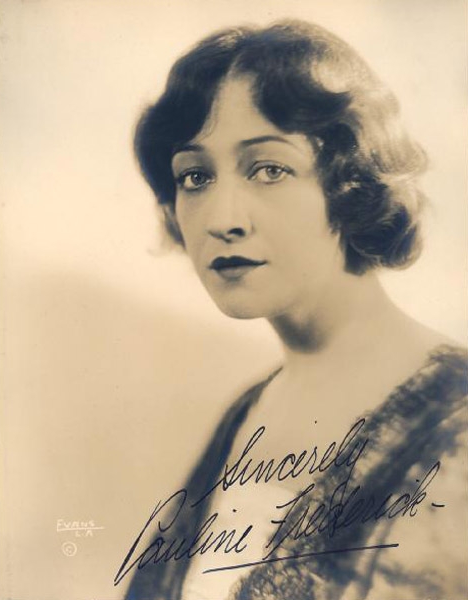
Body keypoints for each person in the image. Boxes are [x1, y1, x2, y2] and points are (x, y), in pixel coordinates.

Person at [122, 20, 467, 600]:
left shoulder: (455, 419)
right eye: (196, 177)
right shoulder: (248, 411)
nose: (222, 219)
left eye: (269, 170)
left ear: (351, 184)